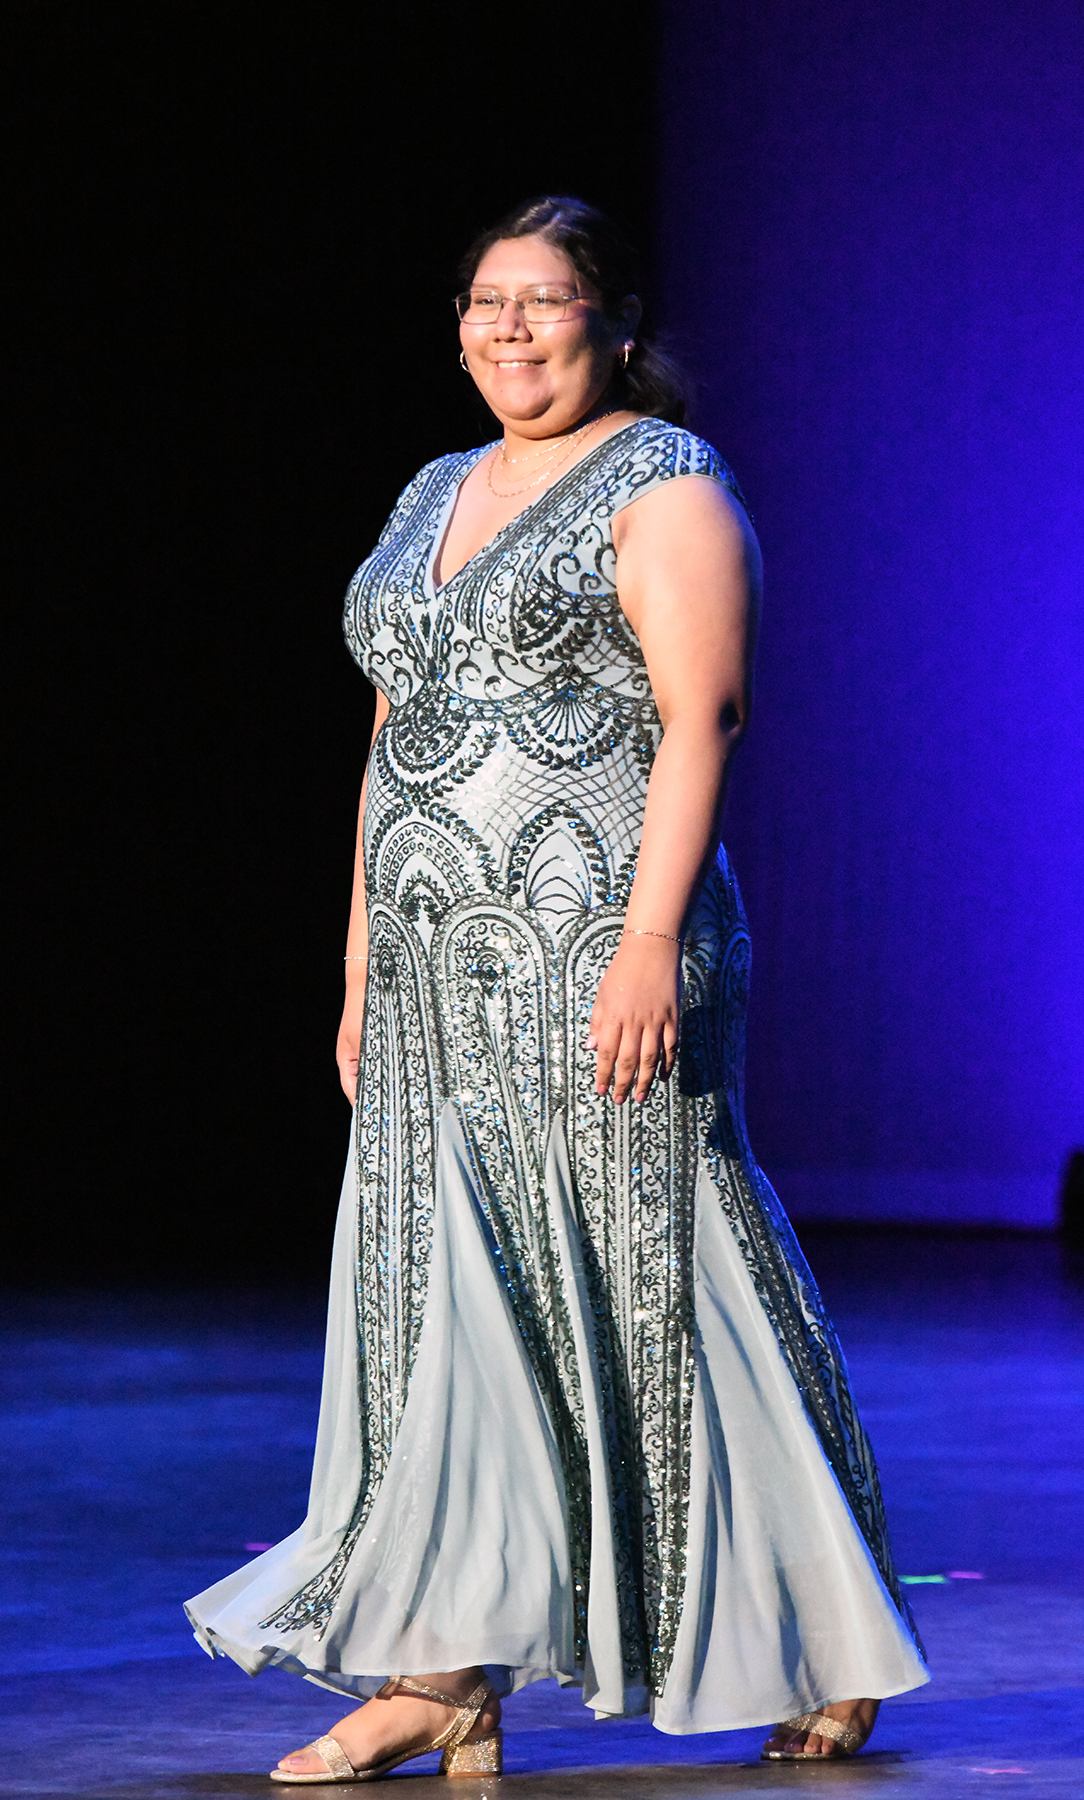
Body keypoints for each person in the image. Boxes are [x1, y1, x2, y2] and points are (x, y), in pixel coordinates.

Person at [185, 195, 928, 1782]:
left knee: (662, 1273)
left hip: (600, 942)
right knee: (437, 1296)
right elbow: (395, 724)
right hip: (433, 957)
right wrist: (359, 951)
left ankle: (828, 1633)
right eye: (485, 300)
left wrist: (651, 940)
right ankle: (441, 1668)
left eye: (545, 298)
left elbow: (704, 714)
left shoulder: (666, 484)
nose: (509, 326)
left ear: (617, 322)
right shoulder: (433, 489)